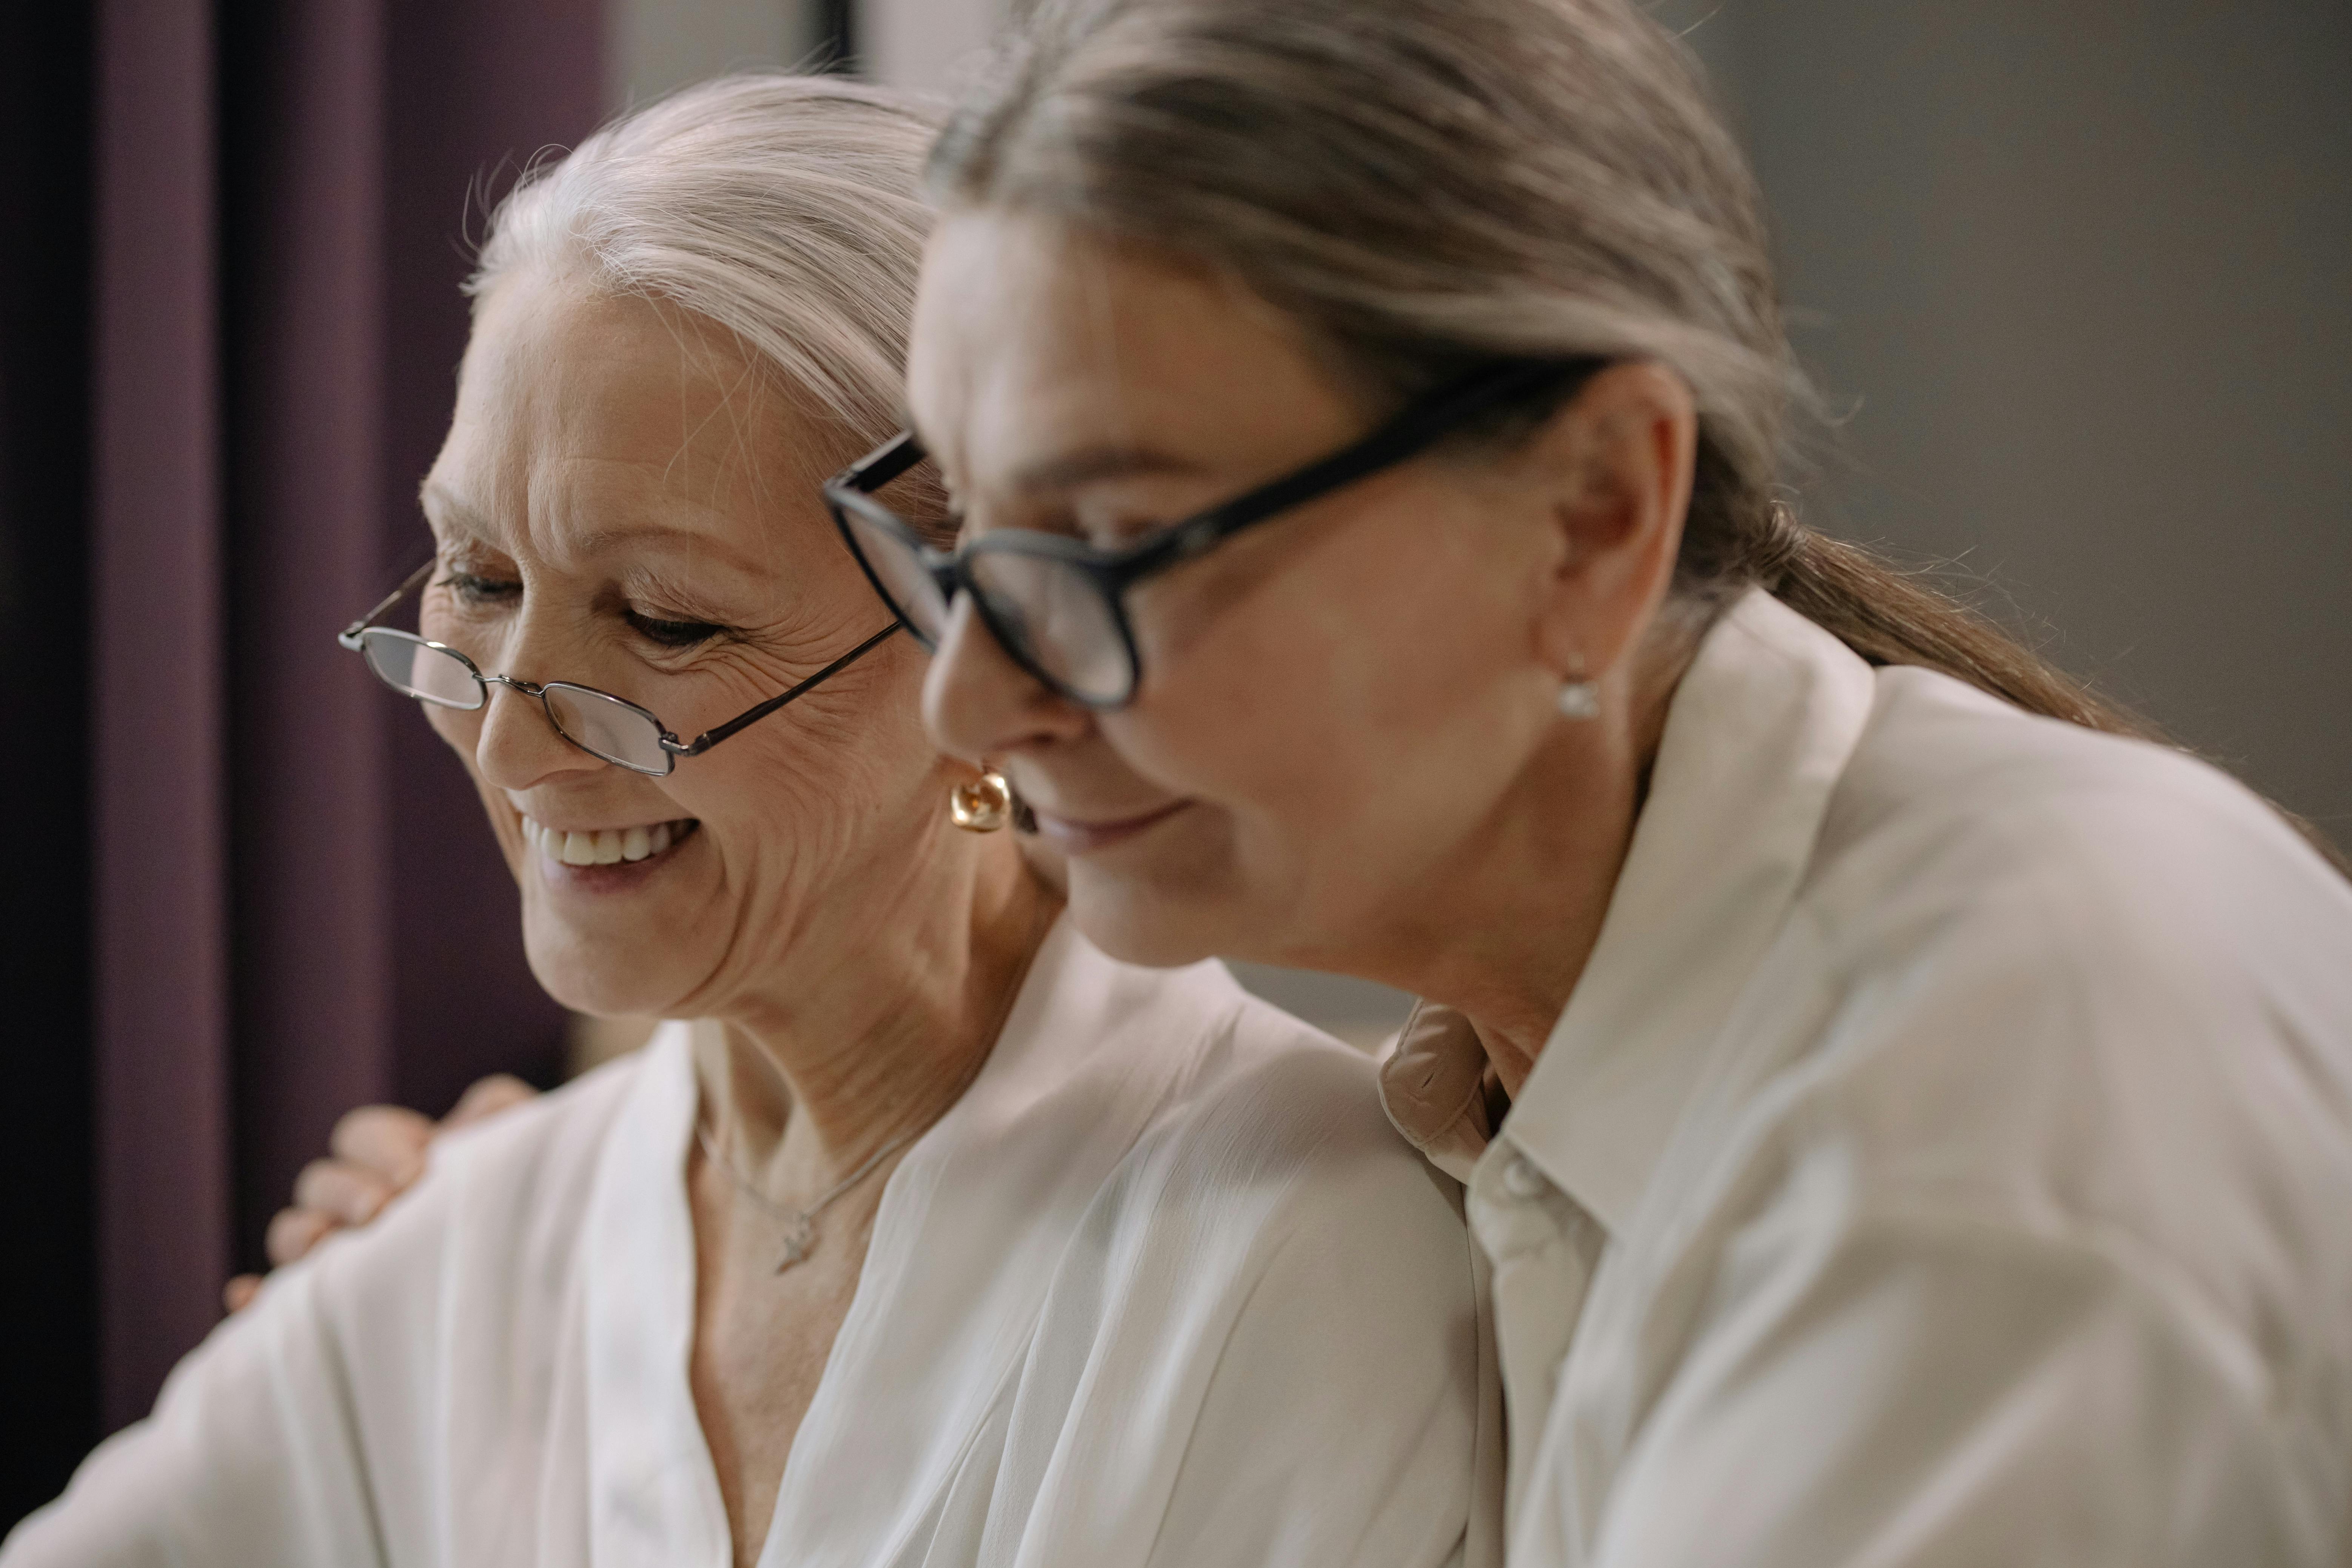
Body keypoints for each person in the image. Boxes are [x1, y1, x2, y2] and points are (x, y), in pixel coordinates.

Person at [826, 0, 2352, 1562]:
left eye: (1106, 546)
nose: (969, 693)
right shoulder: (1519, 1109)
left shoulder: (1981, 1109)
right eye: (960, 548)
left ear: (1595, 515)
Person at [3, 74, 1495, 1568]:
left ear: (989, 642)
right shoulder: (451, 1252)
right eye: (478, 572)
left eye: (664, 620)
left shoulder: (1302, 1246)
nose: (511, 733)